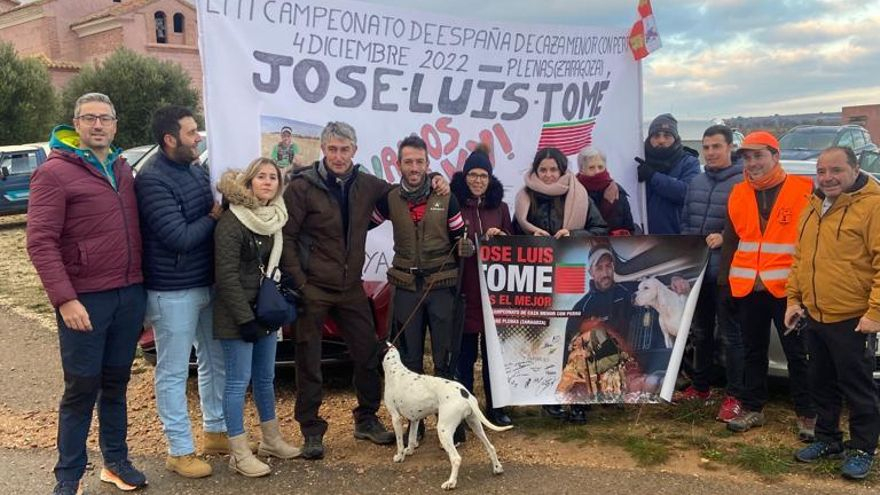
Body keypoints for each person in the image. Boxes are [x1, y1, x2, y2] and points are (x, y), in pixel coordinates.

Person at [281, 122, 447, 459]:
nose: (339, 156)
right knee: (308, 359)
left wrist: (436, 178)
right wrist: (300, 282)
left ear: (354, 151)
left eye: (345, 150)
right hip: (313, 288)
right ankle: (311, 430)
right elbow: (286, 237)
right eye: (332, 149)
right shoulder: (301, 187)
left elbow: (407, 187)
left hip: (350, 288)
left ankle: (366, 419)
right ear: (323, 149)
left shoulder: (368, 185)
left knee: (370, 354)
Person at [27, 93, 147, 495]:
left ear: (115, 125)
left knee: (116, 383)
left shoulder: (122, 167)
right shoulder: (54, 172)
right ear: (75, 124)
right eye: (89, 118)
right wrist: (65, 299)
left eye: (105, 119)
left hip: (128, 294)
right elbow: (40, 242)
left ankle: (115, 461)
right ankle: (68, 476)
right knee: (81, 388)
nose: (98, 125)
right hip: (85, 300)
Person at [134, 105, 226, 479]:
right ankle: (179, 450)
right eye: (191, 133)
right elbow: (178, 237)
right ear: (170, 139)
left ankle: (215, 430)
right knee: (172, 372)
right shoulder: (152, 179)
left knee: (214, 359)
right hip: (172, 290)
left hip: (205, 282)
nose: (198, 138)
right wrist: (214, 217)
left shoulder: (193, 168)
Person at [372, 135, 474, 443]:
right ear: (399, 164)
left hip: (441, 287)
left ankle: (452, 424)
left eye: (419, 162)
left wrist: (465, 246)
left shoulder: (447, 196)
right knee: (409, 359)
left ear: (427, 164)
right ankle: (417, 426)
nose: (414, 167)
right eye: (408, 162)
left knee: (444, 357)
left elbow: (460, 235)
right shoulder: (388, 198)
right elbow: (361, 223)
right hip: (405, 287)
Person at [787, 146, 880, 480]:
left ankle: (862, 448)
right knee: (821, 383)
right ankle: (828, 439)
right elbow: (801, 259)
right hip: (815, 315)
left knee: (857, 388)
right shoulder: (813, 207)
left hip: (853, 318)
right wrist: (793, 300)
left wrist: (874, 313)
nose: (827, 177)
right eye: (822, 170)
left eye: (836, 170)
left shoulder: (873, 207)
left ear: (855, 169)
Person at [719, 131, 816, 438]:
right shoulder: (738, 192)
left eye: (759, 155)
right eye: (747, 157)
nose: (752, 163)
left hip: (789, 291)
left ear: (775, 156)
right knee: (753, 351)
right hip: (749, 290)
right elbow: (731, 240)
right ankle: (753, 408)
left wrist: (805, 291)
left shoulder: (805, 190)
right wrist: (725, 285)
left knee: (797, 353)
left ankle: (807, 414)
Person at [214, 159, 300, 477]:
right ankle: (238, 452)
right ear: (249, 182)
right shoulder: (232, 221)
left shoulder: (274, 218)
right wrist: (244, 318)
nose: (267, 182)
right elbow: (226, 276)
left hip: (264, 311)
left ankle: (271, 440)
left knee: (266, 379)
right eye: (261, 177)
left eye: (273, 177)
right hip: (238, 315)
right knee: (237, 382)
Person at [676, 125, 745, 423]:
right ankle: (700, 387)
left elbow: (749, 227)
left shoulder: (743, 183)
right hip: (698, 270)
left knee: (731, 337)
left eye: (716, 146)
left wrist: (725, 237)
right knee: (701, 333)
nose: (711, 152)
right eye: (706, 147)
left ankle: (735, 395)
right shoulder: (697, 182)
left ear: (729, 148)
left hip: (726, 273)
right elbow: (685, 223)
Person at [451, 144, 514, 427]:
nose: (478, 180)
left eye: (483, 176)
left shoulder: (500, 207)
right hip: (465, 290)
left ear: (490, 179)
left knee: (494, 356)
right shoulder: (454, 203)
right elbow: (445, 240)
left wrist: (499, 237)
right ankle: (465, 409)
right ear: (465, 177)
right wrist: (460, 246)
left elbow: (512, 245)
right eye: (473, 175)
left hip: (493, 293)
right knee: (465, 355)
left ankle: (496, 406)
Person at [513, 147, 608, 238]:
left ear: (561, 171)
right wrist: (531, 236)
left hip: (570, 253)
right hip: (534, 253)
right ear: (536, 171)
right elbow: (513, 234)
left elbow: (600, 230)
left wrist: (572, 235)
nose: (548, 175)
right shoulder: (525, 197)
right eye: (543, 170)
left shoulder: (579, 195)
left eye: (553, 169)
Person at [636, 113, 700, 234]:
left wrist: (653, 176)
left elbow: (686, 193)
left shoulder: (689, 162)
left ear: (675, 138)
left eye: (667, 135)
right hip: (639, 237)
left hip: (674, 239)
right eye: (656, 135)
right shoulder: (638, 160)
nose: (661, 140)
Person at [576, 147, 635, 235]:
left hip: (614, 245)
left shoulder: (617, 192)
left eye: (600, 167)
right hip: (580, 245)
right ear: (581, 170)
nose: (597, 171)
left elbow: (629, 228)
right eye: (591, 168)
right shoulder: (573, 192)